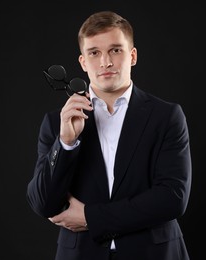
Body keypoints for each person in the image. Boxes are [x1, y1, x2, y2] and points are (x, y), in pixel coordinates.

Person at [27, 10, 192, 260]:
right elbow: (43, 204)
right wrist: (66, 143)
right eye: (94, 53)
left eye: (115, 50)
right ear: (83, 62)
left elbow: (173, 197)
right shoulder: (56, 122)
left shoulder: (167, 116)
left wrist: (91, 217)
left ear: (132, 56)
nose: (105, 62)